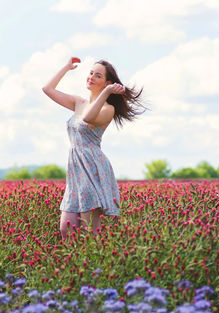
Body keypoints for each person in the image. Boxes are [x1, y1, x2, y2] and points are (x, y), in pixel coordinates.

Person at [42, 57, 148, 240]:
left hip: (92, 169)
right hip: (75, 172)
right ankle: (73, 267)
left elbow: (88, 118)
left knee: (89, 232)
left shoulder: (108, 109)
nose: (91, 77)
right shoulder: (78, 102)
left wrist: (106, 93)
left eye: (97, 75)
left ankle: (95, 268)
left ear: (107, 83)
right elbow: (47, 89)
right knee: (66, 230)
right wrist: (66, 68)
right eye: (91, 73)